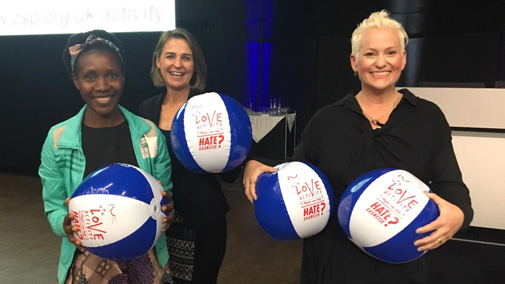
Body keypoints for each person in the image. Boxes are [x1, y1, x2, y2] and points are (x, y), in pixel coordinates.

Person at [243, 10, 473, 283]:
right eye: (370, 54)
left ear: (403, 59)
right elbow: (296, 173)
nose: (380, 63)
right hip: (332, 262)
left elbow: (452, 186)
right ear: (354, 62)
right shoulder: (326, 119)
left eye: (390, 52)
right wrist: (257, 165)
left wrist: (458, 214)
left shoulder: (428, 117)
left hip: (400, 266)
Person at [39, 29, 174, 284]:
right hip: (87, 263)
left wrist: (166, 210)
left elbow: (165, 195)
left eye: (111, 75)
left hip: (145, 257)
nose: (102, 86)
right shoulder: (58, 140)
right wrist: (65, 225)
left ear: (122, 76)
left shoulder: (149, 134)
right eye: (90, 76)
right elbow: (54, 207)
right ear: (76, 80)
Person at [138, 28, 239, 284]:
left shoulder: (211, 108)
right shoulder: (146, 109)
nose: (178, 64)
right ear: (158, 61)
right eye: (170, 56)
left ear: (195, 66)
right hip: (158, 224)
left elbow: (230, 173)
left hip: (202, 224)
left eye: (186, 57)